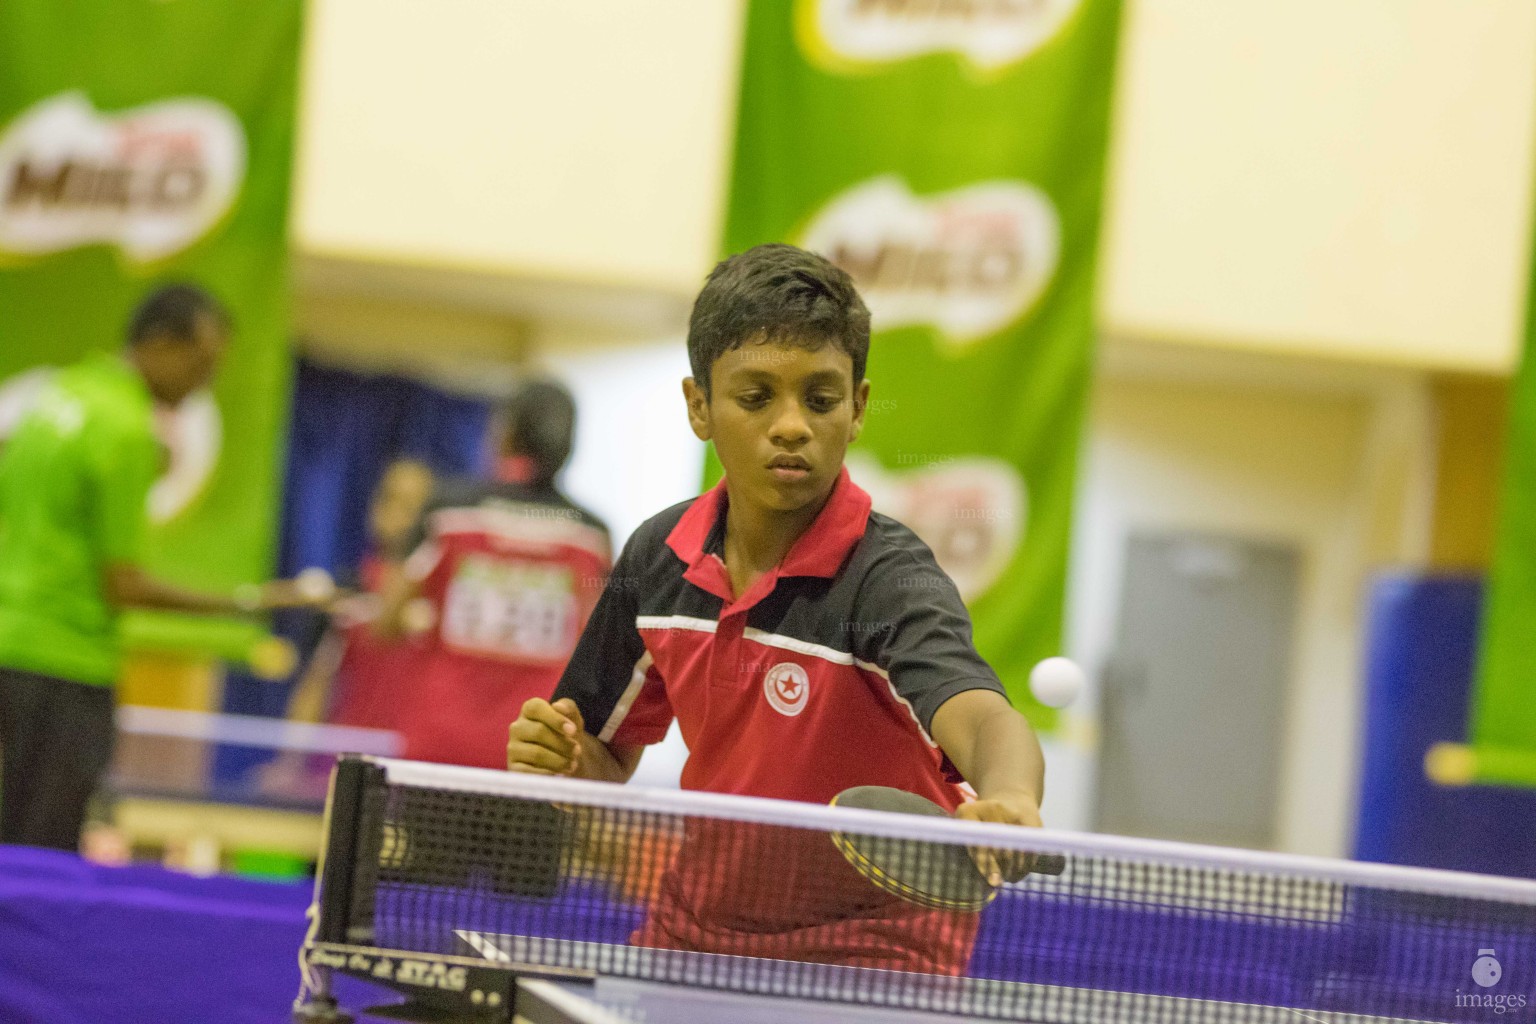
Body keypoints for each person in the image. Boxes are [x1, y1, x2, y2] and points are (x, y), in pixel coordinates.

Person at [506, 244, 1046, 974]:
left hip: (874, 955)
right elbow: (602, 758)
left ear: (856, 408)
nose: (791, 425)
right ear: (700, 407)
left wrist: (1010, 796)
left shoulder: (886, 579)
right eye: (756, 397)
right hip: (693, 936)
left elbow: (980, 714)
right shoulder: (659, 561)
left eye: (819, 399)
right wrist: (563, 762)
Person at [0, 283, 325, 852]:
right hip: (64, 669)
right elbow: (123, 584)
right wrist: (252, 602)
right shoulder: (127, 430)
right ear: (159, 344)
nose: (204, 382)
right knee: (39, 855)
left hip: (9, 650)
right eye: (201, 363)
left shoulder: (57, 399)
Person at [380, 378, 611, 770]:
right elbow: (602, 654)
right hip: (538, 758)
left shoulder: (450, 516)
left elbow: (385, 624)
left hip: (440, 752)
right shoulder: (590, 537)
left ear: (505, 432)